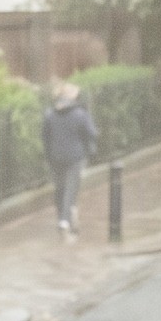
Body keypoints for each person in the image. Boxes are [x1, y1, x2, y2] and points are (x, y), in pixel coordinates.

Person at [43, 83, 100, 240]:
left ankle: (62, 217)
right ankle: (65, 220)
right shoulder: (80, 114)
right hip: (75, 157)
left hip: (55, 157)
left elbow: (46, 138)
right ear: (72, 96)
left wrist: (49, 156)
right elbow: (92, 133)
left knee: (59, 188)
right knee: (71, 188)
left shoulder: (49, 114)